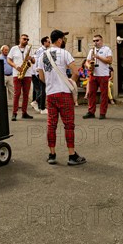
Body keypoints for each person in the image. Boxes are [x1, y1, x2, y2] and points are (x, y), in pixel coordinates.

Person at [38, 29, 86, 166]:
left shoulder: (42, 56)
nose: (64, 41)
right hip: (64, 93)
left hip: (50, 94)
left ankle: (52, 154)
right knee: (68, 125)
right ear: (59, 40)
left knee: (51, 125)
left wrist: (51, 83)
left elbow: (41, 77)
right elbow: (76, 72)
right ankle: (71, 155)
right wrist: (70, 81)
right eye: (63, 39)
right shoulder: (65, 53)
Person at [83, 35, 112, 119]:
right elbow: (87, 62)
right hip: (93, 74)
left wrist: (98, 57)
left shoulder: (107, 49)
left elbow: (110, 61)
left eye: (97, 40)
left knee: (104, 95)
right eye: (94, 41)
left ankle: (102, 113)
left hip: (103, 75)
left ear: (101, 41)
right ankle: (91, 112)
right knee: (91, 94)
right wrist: (89, 66)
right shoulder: (92, 50)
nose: (95, 42)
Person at [7, 34, 36, 121]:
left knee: (26, 94)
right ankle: (14, 113)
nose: (26, 41)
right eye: (24, 39)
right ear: (20, 39)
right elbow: (8, 60)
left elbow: (34, 61)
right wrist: (15, 66)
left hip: (27, 74)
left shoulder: (29, 49)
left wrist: (31, 58)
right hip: (17, 74)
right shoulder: (14, 49)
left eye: (27, 39)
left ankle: (24, 112)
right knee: (17, 94)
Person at [31, 36, 50, 114]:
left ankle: (39, 104)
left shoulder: (45, 50)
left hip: (42, 72)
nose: (50, 43)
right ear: (44, 42)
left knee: (43, 90)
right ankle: (41, 107)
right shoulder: (41, 50)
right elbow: (38, 61)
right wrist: (38, 72)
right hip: (40, 72)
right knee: (43, 90)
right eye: (48, 42)